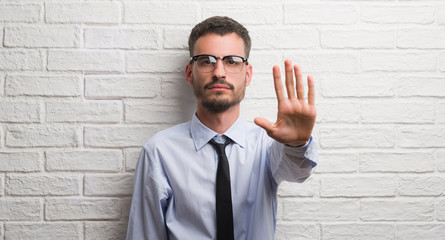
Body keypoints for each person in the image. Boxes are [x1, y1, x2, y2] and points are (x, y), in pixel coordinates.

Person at [126, 16, 318, 240]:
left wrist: (296, 144)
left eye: (232, 61)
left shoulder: (267, 145)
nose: (219, 72)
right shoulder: (159, 152)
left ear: (247, 74)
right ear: (190, 73)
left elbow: (298, 172)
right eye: (206, 61)